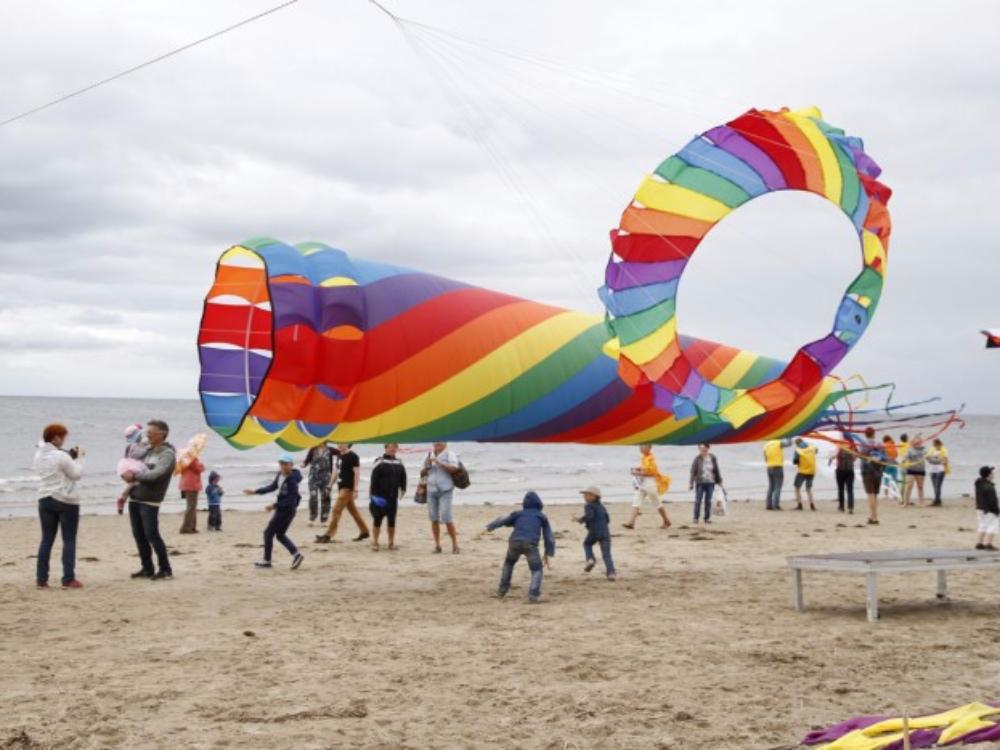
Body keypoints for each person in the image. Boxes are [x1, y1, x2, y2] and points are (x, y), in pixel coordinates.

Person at [33, 423, 86, 590]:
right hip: (65, 499)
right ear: (56, 437)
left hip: (45, 498)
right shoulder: (61, 456)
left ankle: (41, 579)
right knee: (69, 539)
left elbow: (56, 467)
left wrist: (70, 456)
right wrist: (79, 458)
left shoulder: (39, 455)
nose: (63, 440)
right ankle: (68, 578)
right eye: (62, 437)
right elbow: (76, 475)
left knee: (46, 539)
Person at [121, 419, 176, 580]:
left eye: (151, 432)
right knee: (139, 535)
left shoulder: (167, 454)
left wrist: (134, 476)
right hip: (135, 497)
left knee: (152, 535)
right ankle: (147, 568)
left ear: (162, 434)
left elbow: (156, 475)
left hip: (150, 500)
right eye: (147, 432)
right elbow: (132, 464)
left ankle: (165, 569)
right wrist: (126, 473)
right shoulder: (147, 450)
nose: (147, 435)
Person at [486, 491, 556, 603]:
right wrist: (548, 552)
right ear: (539, 503)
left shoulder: (518, 514)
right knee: (536, 569)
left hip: (514, 542)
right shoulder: (541, 516)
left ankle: (502, 591)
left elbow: (503, 519)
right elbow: (549, 536)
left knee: (508, 564)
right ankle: (533, 595)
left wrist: (490, 526)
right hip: (530, 544)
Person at [245, 454, 305, 569]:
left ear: (291, 465)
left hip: (286, 510)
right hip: (285, 509)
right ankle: (296, 555)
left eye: (286, 464)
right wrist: (255, 491)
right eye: (281, 464)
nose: (283, 466)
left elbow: (291, 500)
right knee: (280, 535)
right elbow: (271, 487)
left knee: (268, 533)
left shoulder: (292, 480)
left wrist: (274, 506)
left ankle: (267, 561)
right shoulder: (280, 475)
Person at [315, 444, 370, 544]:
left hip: (348, 488)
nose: (339, 445)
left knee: (336, 510)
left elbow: (357, 473)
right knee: (354, 512)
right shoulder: (339, 456)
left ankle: (328, 535)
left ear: (348, 443)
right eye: (338, 443)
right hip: (341, 488)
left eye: (342, 443)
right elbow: (336, 472)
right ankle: (364, 531)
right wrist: (329, 485)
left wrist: (356, 489)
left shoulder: (353, 456)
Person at [423, 441, 461, 554]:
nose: (437, 443)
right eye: (435, 442)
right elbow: (422, 472)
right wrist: (426, 467)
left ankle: (455, 544)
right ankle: (437, 545)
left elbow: (454, 468)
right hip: (431, 490)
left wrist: (439, 463)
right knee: (433, 518)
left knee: (446, 517)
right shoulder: (429, 454)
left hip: (445, 489)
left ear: (445, 443)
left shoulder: (450, 454)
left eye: (440, 441)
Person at [369, 443, 407, 551]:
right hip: (380, 497)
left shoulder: (399, 462)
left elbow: (403, 477)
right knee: (377, 520)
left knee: (392, 521)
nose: (392, 449)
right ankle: (375, 542)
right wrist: (373, 496)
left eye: (394, 447)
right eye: (390, 447)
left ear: (397, 449)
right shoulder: (379, 462)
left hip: (393, 497)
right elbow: (373, 479)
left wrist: (403, 489)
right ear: (385, 448)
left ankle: (391, 543)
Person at [623, 444, 671, 529]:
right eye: (640, 446)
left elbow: (651, 473)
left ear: (649, 448)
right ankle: (631, 522)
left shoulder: (651, 458)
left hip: (650, 483)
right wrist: (638, 469)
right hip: (642, 482)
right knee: (636, 501)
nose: (641, 448)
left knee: (657, 502)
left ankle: (666, 520)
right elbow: (644, 468)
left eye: (643, 446)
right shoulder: (644, 457)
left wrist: (637, 473)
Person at [575, 485, 615, 580]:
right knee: (606, 554)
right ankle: (611, 573)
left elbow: (590, 516)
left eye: (586, 495)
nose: (584, 497)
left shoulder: (588, 505)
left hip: (594, 531)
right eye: (584, 495)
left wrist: (580, 520)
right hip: (605, 532)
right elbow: (607, 519)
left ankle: (590, 559)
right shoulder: (602, 507)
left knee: (587, 544)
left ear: (594, 496)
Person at [116, 423, 147, 514]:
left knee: (132, 483)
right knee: (135, 482)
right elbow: (137, 455)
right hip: (133, 466)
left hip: (127, 466)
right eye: (139, 435)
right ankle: (122, 497)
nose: (141, 437)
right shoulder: (134, 446)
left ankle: (123, 498)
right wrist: (147, 450)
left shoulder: (131, 445)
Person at [688, 442, 722, 524]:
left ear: (708, 448)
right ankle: (695, 518)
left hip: (710, 482)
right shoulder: (697, 458)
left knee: (708, 501)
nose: (702, 449)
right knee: (698, 500)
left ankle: (707, 518)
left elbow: (716, 469)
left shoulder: (712, 457)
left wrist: (719, 480)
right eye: (701, 448)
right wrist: (691, 483)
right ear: (699, 449)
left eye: (704, 448)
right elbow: (693, 471)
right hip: (700, 482)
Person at [302, 441, 335, 524]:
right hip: (313, 477)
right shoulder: (313, 449)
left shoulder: (330, 450)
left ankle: (324, 519)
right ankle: (312, 518)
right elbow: (307, 460)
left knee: (326, 497)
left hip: (326, 478)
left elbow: (342, 453)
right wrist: (303, 464)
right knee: (313, 497)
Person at [857, 427, 884, 525]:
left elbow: (861, 456)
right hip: (878, 471)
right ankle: (874, 516)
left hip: (867, 471)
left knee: (870, 494)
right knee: (875, 494)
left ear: (865, 434)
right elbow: (884, 458)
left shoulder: (863, 445)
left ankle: (873, 517)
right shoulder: (880, 444)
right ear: (874, 433)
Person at [178, 454, 205, 534]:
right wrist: (202, 465)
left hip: (186, 484)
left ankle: (192, 527)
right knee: (191, 507)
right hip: (191, 484)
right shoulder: (191, 459)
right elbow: (198, 469)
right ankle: (186, 527)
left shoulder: (184, 459)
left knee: (191, 507)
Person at [974, 466, 998, 551]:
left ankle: (979, 543)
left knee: (982, 525)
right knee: (992, 525)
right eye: (992, 473)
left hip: (979, 508)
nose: (993, 475)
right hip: (988, 509)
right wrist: (996, 511)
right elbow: (992, 501)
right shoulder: (989, 486)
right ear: (989, 475)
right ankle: (988, 544)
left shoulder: (979, 483)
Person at [830, 441, 856, 514]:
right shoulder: (851, 448)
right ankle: (850, 507)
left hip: (840, 471)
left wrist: (831, 459)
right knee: (850, 490)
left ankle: (841, 507)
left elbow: (836, 457)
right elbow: (854, 459)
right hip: (850, 471)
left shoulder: (839, 447)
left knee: (841, 489)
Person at [792, 438, 818, 511]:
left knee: (797, 487)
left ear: (797, 444)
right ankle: (812, 505)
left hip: (802, 471)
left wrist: (799, 462)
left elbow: (795, 461)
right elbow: (817, 451)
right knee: (808, 489)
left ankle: (799, 505)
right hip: (812, 471)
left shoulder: (798, 450)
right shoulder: (812, 448)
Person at [763, 438, 788, 510]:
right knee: (778, 487)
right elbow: (789, 444)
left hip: (769, 467)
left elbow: (765, 458)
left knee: (771, 486)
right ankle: (776, 505)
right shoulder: (778, 443)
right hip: (777, 467)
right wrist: (789, 436)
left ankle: (768, 505)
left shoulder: (766, 445)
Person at [903, 437, 927, 507]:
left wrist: (939, 460)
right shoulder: (910, 450)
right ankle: (906, 503)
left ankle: (921, 502)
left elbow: (930, 459)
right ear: (913, 443)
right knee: (909, 486)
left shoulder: (924, 451)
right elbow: (905, 458)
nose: (917, 443)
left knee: (920, 487)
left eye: (918, 442)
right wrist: (904, 461)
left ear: (921, 443)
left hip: (920, 470)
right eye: (915, 442)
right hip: (911, 470)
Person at [927, 438, 950, 507]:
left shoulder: (944, 450)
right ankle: (938, 500)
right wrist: (938, 461)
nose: (935, 446)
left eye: (936, 445)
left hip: (941, 470)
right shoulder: (931, 449)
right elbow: (928, 458)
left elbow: (945, 461)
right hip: (932, 470)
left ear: (939, 444)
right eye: (934, 445)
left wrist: (937, 461)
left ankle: (936, 500)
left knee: (938, 485)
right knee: (934, 486)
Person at [881, 435, 901, 502]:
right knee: (894, 480)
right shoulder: (893, 445)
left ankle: (886, 495)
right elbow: (896, 454)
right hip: (894, 464)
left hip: (887, 464)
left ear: (884, 440)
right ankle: (895, 495)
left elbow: (882, 456)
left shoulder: (884, 446)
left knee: (886, 479)